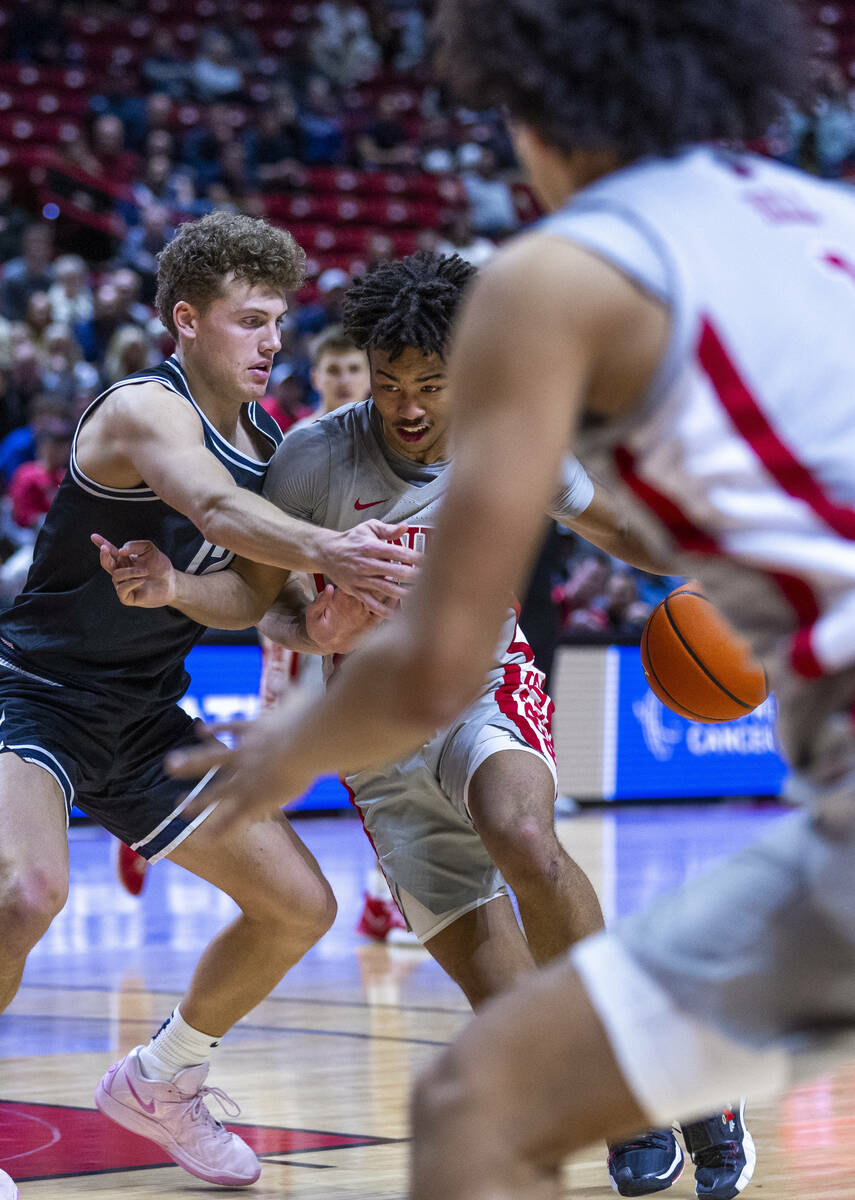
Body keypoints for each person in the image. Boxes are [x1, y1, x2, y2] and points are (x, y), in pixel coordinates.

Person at [161, 2, 851, 1198]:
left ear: (533, 112)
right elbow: (265, 597)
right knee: (504, 1060)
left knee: (479, 1095)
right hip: (399, 758)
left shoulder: (551, 282)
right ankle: (661, 1087)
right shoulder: (818, 220)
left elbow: (443, 657)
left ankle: (649, 1092)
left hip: (461, 696)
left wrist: (278, 757)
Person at [104, 252, 747, 1195]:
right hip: (377, 745)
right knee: (510, 1002)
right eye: (390, 381)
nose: (407, 405)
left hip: (486, 689)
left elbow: (617, 529)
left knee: (523, 833)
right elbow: (257, 598)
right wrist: (198, 595)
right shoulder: (314, 458)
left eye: (432, 386)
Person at [0, 210, 420, 1200]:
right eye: (250, 319)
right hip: (34, 697)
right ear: (187, 322)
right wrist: (332, 550)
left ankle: (160, 1080)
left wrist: (300, 618)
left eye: (280, 320)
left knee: (299, 903)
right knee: (25, 893)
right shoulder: (145, 409)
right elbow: (221, 512)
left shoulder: (265, 439)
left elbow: (253, 593)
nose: (274, 341)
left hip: (142, 716)